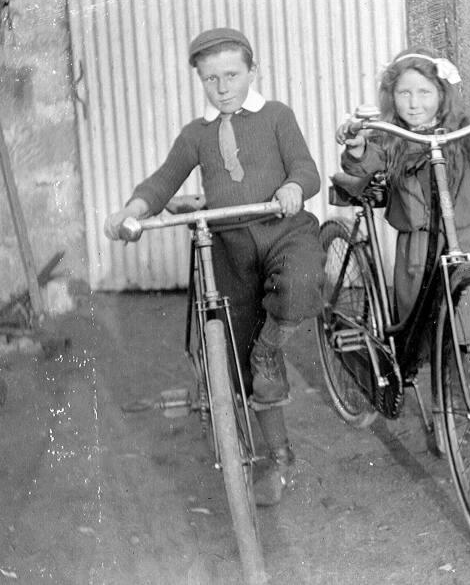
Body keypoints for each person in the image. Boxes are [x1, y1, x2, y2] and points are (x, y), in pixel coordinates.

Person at [104, 27, 325, 505]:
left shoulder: (276, 116)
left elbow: (306, 169)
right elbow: (163, 181)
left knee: (302, 282)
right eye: (211, 79)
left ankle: (271, 347)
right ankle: (279, 455)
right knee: (238, 356)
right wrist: (132, 210)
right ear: (200, 81)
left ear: (252, 71)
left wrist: (293, 187)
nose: (222, 88)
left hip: (283, 230)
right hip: (228, 245)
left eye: (232, 75)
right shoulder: (196, 134)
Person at [337, 47, 470, 328]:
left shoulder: (465, 130)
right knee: (425, 327)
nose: (414, 103)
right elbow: (365, 163)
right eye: (404, 93)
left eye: (424, 92)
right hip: (419, 248)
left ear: (442, 94)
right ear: (391, 96)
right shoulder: (391, 134)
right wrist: (357, 148)